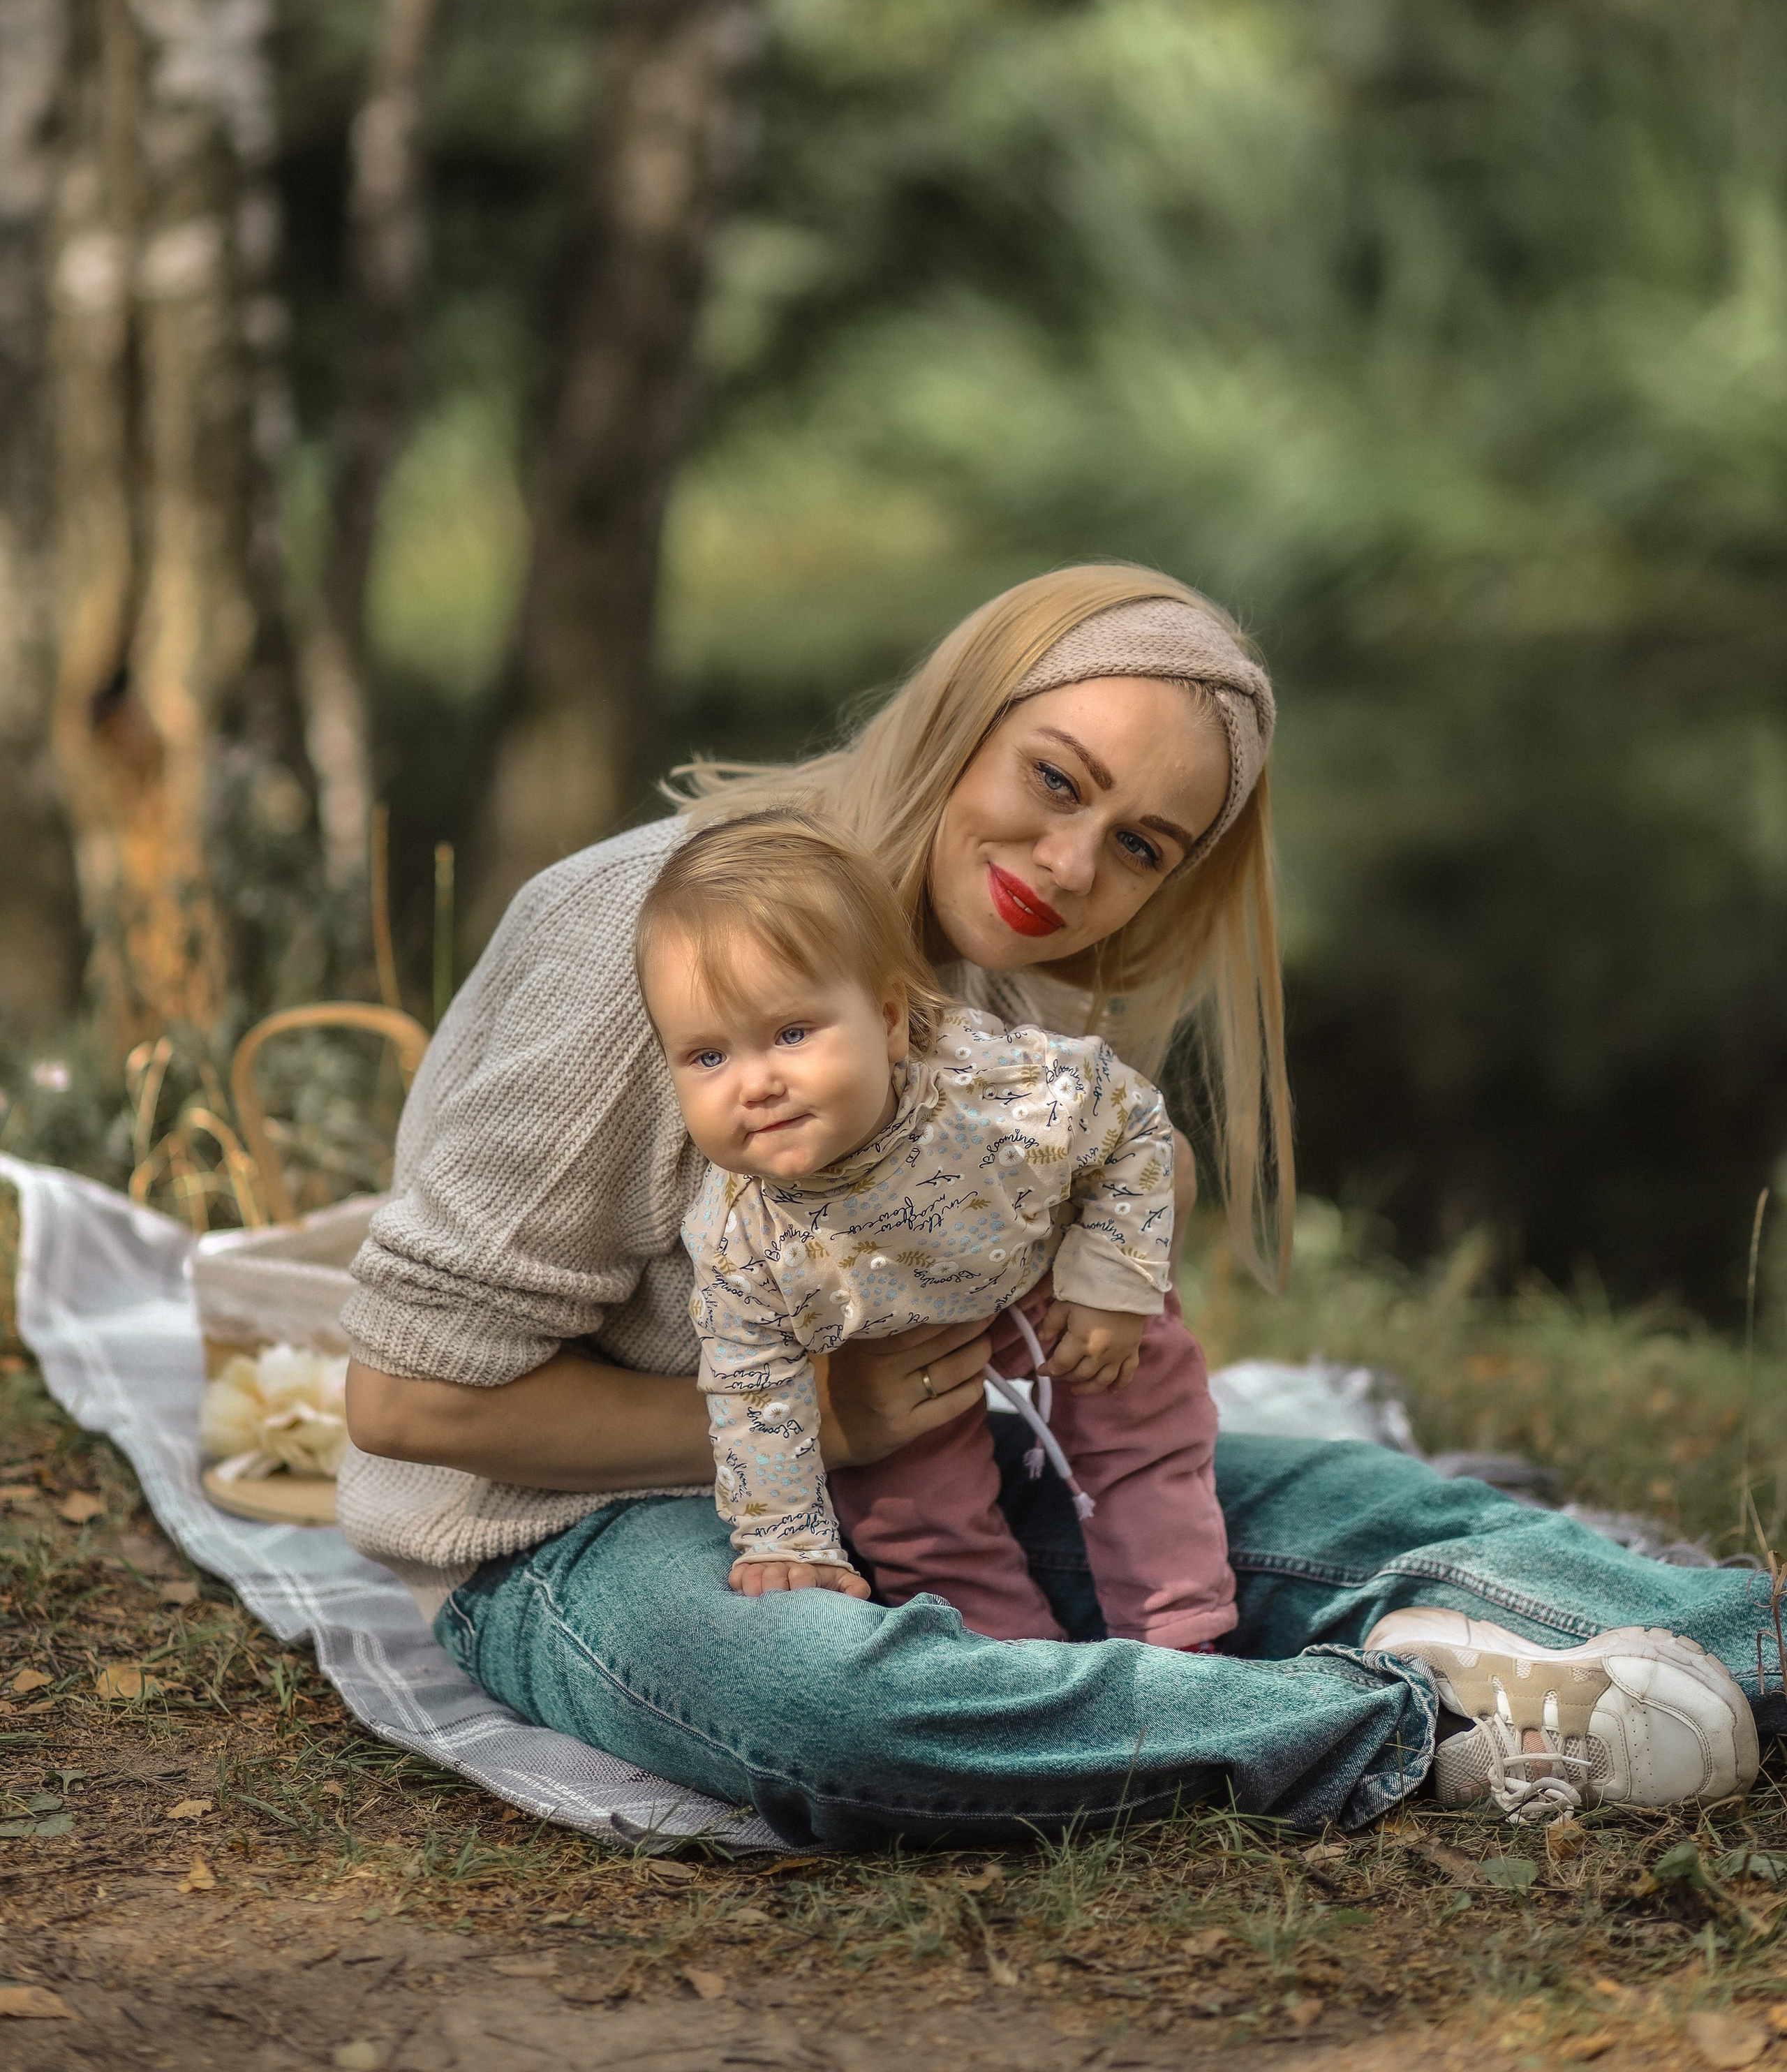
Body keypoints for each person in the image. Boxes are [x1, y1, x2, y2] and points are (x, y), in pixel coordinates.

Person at [340, 565, 1770, 1844]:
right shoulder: (645, 935)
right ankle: (1433, 1724)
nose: (1073, 867)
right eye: (1055, 779)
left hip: (960, 1457)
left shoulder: (995, 984)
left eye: (1144, 844)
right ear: (960, 715)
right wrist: (834, 1422)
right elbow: (408, 1409)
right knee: (831, 1711)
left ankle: (1743, 1651)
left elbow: (1092, 1236)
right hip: (581, 1524)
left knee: (1349, 1505)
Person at [639, 814, 1236, 1647]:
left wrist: (1113, 1286)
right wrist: (789, 1540)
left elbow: (1133, 1121)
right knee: (915, 1518)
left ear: (887, 1022)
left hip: (1041, 1282)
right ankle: (1016, 1670)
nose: (756, 1083)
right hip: (890, 1353)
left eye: (790, 1033)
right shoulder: (739, 1233)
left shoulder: (989, 1090)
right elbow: (752, 1392)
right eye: (707, 1057)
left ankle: (1182, 1632)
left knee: (1142, 1410)